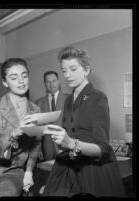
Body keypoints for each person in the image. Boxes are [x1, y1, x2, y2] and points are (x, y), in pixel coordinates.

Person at [42, 46, 126, 197]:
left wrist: (70, 143)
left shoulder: (98, 97)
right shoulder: (68, 100)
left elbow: (102, 148)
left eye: (73, 69)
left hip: (93, 168)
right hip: (70, 162)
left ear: (86, 70)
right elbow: (71, 133)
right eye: (64, 70)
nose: (67, 75)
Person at [0, 58, 41, 197]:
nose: (21, 81)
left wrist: (28, 172)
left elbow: (35, 145)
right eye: (14, 77)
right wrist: (14, 132)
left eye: (24, 75)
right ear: (5, 82)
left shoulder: (35, 110)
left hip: (13, 171)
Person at [36, 71, 68, 161]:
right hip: (47, 146)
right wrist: (38, 150)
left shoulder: (69, 99)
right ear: (45, 84)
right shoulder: (38, 103)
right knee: (49, 173)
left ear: (58, 81)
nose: (51, 84)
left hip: (65, 143)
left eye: (54, 81)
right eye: (48, 82)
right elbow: (37, 129)